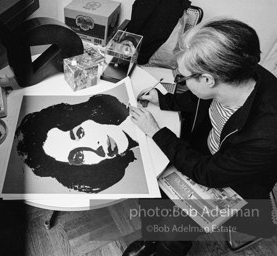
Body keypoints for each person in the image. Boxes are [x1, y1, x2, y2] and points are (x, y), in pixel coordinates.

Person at [123, 18, 277, 256]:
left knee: (176, 229)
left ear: (207, 79)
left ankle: (167, 250)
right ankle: (152, 238)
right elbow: (200, 99)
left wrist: (155, 131)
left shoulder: (266, 135)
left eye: (182, 78)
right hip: (205, 154)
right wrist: (165, 100)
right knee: (150, 186)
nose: (180, 81)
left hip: (232, 182)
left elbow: (208, 174)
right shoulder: (234, 70)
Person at [15, 94, 140, 193]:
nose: (96, 147)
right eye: (79, 157)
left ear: (85, 117)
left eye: (79, 133)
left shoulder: (136, 101)